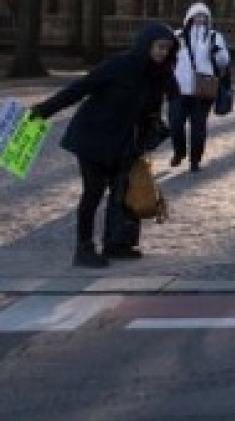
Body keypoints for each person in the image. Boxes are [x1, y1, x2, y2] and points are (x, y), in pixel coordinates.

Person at [32, 24, 177, 266]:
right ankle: (84, 247)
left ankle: (117, 243)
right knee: (93, 191)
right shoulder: (119, 65)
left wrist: (154, 132)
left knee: (122, 191)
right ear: (147, 44)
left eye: (168, 49)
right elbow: (79, 89)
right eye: (160, 47)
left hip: (123, 141)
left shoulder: (160, 74)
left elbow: (154, 108)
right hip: (92, 137)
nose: (163, 52)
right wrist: (42, 111)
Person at [168, 1, 232, 172]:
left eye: (203, 16)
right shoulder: (177, 36)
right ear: (189, 17)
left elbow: (224, 61)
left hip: (203, 90)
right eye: (197, 15)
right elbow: (168, 58)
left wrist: (216, 52)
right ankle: (179, 152)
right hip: (179, 89)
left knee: (198, 128)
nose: (200, 19)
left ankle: (195, 160)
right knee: (175, 124)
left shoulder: (214, 36)